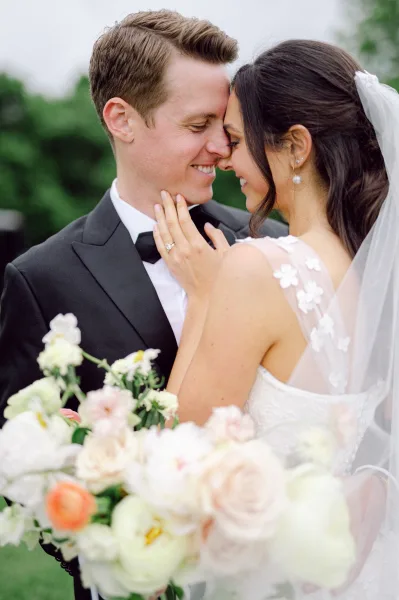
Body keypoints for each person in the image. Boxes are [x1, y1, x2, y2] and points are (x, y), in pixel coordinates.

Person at [0, 10, 286, 600]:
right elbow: (25, 467)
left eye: (226, 127)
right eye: (199, 124)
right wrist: (118, 558)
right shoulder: (39, 279)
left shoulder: (274, 243)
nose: (222, 148)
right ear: (122, 120)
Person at [154, 40, 399, 598]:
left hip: (255, 574)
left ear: (295, 146)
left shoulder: (258, 267)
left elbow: (180, 452)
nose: (225, 158)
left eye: (236, 141)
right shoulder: (376, 269)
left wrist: (204, 297)